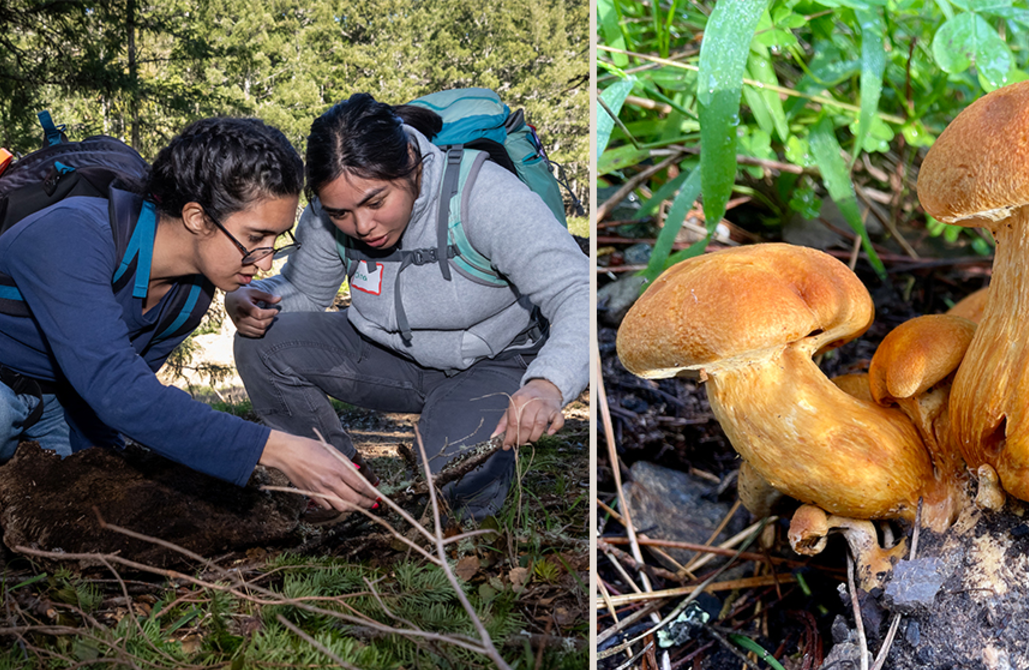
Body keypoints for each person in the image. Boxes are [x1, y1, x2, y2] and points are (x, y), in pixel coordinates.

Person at [225, 93, 589, 521]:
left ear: (412, 165)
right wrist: (251, 301)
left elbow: (576, 291)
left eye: (376, 202)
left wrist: (548, 384)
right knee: (262, 345)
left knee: (447, 486)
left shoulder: (483, 196)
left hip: (498, 359)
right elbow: (302, 289)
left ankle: (474, 459)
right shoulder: (330, 214)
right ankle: (338, 482)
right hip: (389, 355)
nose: (362, 226)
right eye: (341, 212)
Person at [0, 117, 380, 515]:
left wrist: (111, 468)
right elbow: (118, 391)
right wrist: (279, 450)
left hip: (53, 401)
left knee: (78, 506)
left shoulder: (188, 297)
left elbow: (112, 403)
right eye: (254, 238)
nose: (266, 263)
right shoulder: (71, 234)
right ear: (197, 218)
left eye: (275, 240)